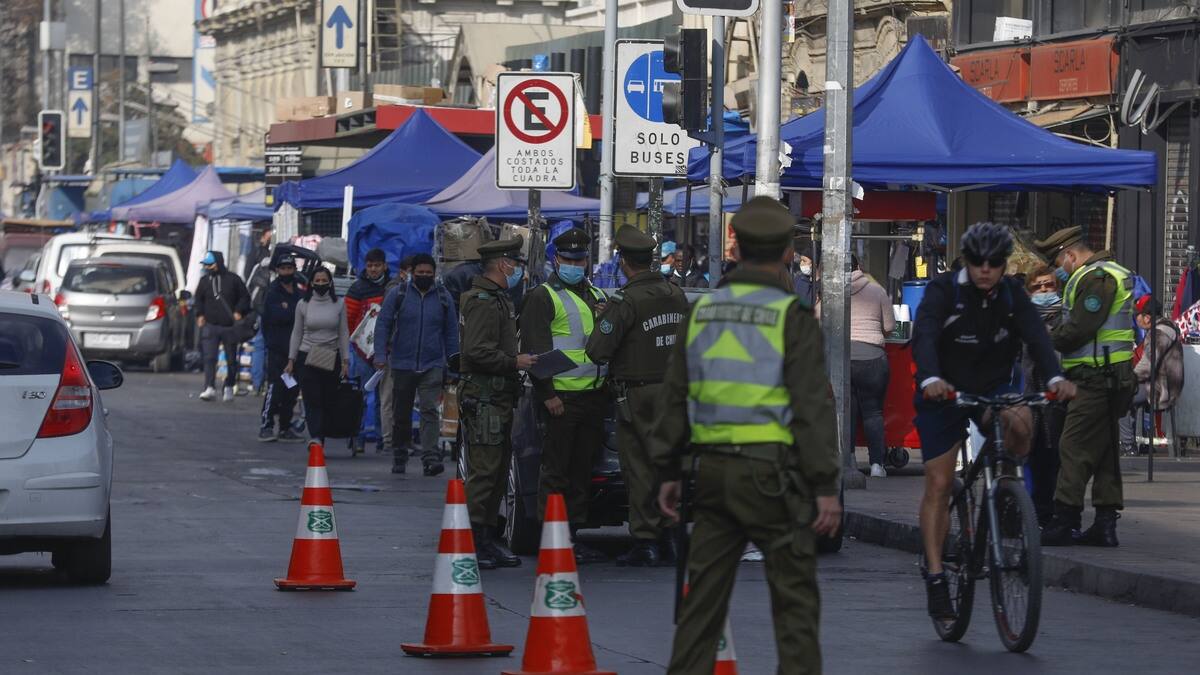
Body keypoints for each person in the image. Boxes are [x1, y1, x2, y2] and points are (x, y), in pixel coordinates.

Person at [653, 197, 843, 674]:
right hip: (771, 479)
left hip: (711, 475)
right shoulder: (790, 316)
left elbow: (676, 395)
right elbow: (811, 408)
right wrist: (825, 486)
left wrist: (668, 470)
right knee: (795, 607)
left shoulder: (704, 312)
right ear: (784, 251)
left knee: (700, 610)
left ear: (735, 246)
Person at [913, 223, 1074, 619]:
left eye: (995, 263)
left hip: (993, 388)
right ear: (968, 260)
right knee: (938, 481)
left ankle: (1005, 495)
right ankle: (936, 576)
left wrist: (1055, 377)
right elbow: (926, 335)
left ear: (1004, 264)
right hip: (945, 391)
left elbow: (1037, 336)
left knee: (1022, 422)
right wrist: (931, 377)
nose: (986, 269)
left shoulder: (1012, 295)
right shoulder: (944, 291)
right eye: (979, 262)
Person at [585, 226, 689, 567]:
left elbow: (597, 350)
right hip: (674, 395)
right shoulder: (675, 294)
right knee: (668, 466)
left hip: (639, 396)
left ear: (624, 261)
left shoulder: (626, 300)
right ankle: (672, 536)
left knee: (640, 469)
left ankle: (646, 541)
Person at [1034, 227, 1137, 548]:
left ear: (1070, 255)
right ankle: (1105, 524)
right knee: (1105, 451)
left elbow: (1080, 329)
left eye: (1058, 264)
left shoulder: (1097, 279)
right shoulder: (1108, 273)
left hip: (1096, 378)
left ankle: (1065, 519)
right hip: (1109, 376)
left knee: (1073, 446)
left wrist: (1045, 338)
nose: (1058, 272)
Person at [519, 227, 610, 564]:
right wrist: (548, 394)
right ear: (557, 260)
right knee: (555, 470)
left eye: (580, 259)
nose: (576, 264)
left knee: (581, 471)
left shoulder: (598, 295)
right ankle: (552, 538)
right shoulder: (543, 296)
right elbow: (535, 350)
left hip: (592, 397)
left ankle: (573, 536)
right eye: (569, 259)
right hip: (561, 400)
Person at [459, 236, 537, 569]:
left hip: (498, 396)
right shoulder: (482, 301)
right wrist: (513, 362)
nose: (518, 269)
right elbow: (476, 352)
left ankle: (488, 537)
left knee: (498, 470)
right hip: (485, 396)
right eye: (515, 263)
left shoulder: (498, 299)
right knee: (485, 471)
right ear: (503, 265)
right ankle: (474, 540)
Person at [374, 253, 458, 476]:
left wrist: (453, 361)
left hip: (433, 364)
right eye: (420, 273)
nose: (424, 276)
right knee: (401, 413)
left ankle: (430, 458)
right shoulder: (398, 294)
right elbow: (382, 324)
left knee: (430, 410)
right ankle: (400, 454)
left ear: (434, 274)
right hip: (402, 363)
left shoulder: (443, 297)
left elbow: (451, 332)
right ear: (411, 273)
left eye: (428, 273)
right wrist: (380, 355)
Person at [1022, 266, 1067, 526]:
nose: (1044, 290)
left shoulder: (1065, 317)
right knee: (1032, 456)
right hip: (1029, 395)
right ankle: (1030, 511)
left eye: (1049, 285)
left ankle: (1050, 512)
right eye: (1038, 286)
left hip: (1056, 398)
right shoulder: (1023, 319)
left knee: (1053, 457)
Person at [285, 267, 350, 445]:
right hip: (307, 355)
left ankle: (321, 432)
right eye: (317, 281)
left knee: (327, 398)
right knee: (311, 397)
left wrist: (346, 360)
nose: (321, 284)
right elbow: (296, 333)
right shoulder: (303, 304)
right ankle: (316, 436)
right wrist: (291, 359)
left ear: (330, 283)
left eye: (324, 280)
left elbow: (344, 332)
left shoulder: (339, 304)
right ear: (311, 283)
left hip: (330, 355)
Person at [848, 254, 896, 478]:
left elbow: (819, 321)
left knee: (847, 412)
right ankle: (877, 464)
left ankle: (848, 461)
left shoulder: (831, 291)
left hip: (843, 359)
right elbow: (889, 326)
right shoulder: (877, 290)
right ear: (859, 267)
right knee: (873, 412)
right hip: (873, 359)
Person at [1120, 297, 1184, 453]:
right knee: (1129, 393)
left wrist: (1129, 379)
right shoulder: (1166, 328)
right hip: (1164, 385)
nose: (1136, 319)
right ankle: (1138, 443)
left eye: (1138, 315)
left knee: (1120, 396)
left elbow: (1147, 365)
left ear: (1147, 317)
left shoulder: (1159, 333)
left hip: (1162, 389)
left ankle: (1127, 444)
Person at [346, 248, 392, 453]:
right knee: (362, 396)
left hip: (386, 351)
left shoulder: (392, 288)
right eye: (370, 265)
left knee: (385, 398)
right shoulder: (357, 289)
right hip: (361, 351)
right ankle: (358, 436)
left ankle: (384, 438)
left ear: (385, 266)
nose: (373, 269)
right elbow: (348, 319)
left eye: (377, 265)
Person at [193, 251, 251, 402]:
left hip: (229, 327)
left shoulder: (233, 279)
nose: (207, 267)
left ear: (218, 263)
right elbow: (198, 299)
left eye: (210, 264)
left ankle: (229, 385)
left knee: (231, 359)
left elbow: (245, 297)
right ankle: (209, 387)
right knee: (209, 358)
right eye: (205, 264)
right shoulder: (204, 281)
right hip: (210, 326)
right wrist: (200, 314)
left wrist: (238, 311)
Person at [258, 255, 304, 442]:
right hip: (277, 350)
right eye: (283, 268)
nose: (286, 272)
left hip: (295, 352)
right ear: (278, 270)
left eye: (289, 268)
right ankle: (266, 425)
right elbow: (273, 318)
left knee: (291, 389)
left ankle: (285, 427)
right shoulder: (273, 293)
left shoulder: (299, 294)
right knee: (275, 388)